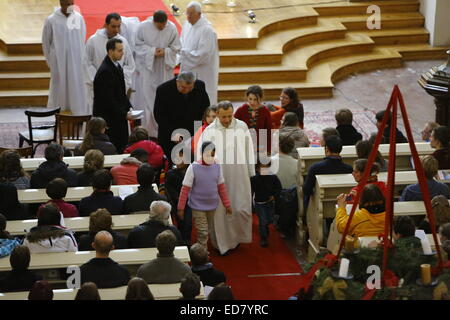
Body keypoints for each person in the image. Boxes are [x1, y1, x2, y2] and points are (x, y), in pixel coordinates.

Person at [199, 101, 255, 255]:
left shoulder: (241, 127)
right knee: (219, 212)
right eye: (223, 117)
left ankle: (236, 239)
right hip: (217, 177)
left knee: (239, 207)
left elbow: (249, 150)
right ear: (217, 115)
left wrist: (251, 173)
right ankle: (220, 243)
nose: (226, 120)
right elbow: (202, 155)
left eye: (229, 116)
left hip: (239, 175)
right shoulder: (209, 131)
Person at [135, 10, 181, 135]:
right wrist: (152, 52)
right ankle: (149, 130)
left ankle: (164, 127)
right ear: (154, 21)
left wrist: (166, 52)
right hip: (149, 68)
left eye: (163, 25)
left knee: (165, 96)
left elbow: (176, 47)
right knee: (148, 96)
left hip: (164, 67)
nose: (161, 28)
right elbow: (137, 45)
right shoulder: (143, 27)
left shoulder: (171, 28)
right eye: (159, 26)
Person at [178, 141, 231, 249]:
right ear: (201, 154)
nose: (210, 158)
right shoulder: (193, 167)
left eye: (212, 155)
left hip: (212, 205)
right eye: (207, 155)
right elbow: (185, 189)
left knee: (209, 229)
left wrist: (227, 204)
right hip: (197, 206)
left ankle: (201, 251)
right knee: (202, 232)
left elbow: (221, 187)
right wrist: (181, 208)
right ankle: (202, 256)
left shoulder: (217, 167)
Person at [42, 0, 87, 115]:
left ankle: (78, 114)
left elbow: (82, 38)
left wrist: (77, 55)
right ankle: (59, 114)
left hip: (76, 61)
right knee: (60, 86)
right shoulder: (51, 20)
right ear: (61, 3)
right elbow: (46, 42)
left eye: (71, 3)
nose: (69, 6)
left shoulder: (78, 18)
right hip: (58, 61)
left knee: (75, 85)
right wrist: (51, 61)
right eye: (66, 4)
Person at [84, 13, 135, 113]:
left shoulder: (123, 41)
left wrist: (121, 80)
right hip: (99, 88)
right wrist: (98, 80)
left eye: (118, 26)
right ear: (106, 25)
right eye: (113, 26)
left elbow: (130, 64)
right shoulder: (93, 40)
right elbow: (86, 63)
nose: (116, 30)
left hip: (118, 89)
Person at [154, 71, 210, 159]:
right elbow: (159, 115)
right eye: (183, 87)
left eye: (190, 88)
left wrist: (198, 131)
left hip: (192, 131)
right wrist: (173, 133)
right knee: (171, 160)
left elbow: (205, 109)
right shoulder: (163, 90)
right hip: (170, 132)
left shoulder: (200, 86)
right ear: (177, 82)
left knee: (192, 160)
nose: (186, 90)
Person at [93, 38, 133, 153]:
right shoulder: (106, 71)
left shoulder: (116, 66)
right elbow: (108, 99)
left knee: (121, 143)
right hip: (110, 118)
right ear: (110, 51)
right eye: (119, 51)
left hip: (117, 115)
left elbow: (121, 91)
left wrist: (129, 107)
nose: (122, 53)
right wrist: (124, 113)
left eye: (122, 50)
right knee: (115, 146)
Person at [179, 1, 219, 104]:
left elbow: (203, 55)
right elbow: (181, 42)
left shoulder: (207, 30)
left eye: (191, 14)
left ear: (199, 14)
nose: (188, 17)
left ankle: (203, 121)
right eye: (187, 14)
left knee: (200, 103)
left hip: (202, 73)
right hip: (188, 72)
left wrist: (183, 53)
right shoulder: (187, 25)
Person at [303, 135, 353, 211]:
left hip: (319, 208)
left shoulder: (315, 168)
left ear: (326, 149)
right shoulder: (349, 169)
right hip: (342, 206)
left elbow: (306, 190)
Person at [251, 161, 282, 247]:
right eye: (262, 168)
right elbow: (250, 191)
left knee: (269, 219)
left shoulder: (273, 177)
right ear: (257, 169)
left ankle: (265, 227)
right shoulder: (254, 179)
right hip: (259, 203)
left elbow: (279, 188)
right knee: (263, 220)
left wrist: (274, 196)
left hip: (269, 202)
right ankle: (263, 238)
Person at [165, 149, 193, 245]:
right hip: (176, 203)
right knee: (181, 224)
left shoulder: (193, 172)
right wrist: (178, 202)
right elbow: (169, 191)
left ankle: (186, 242)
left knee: (187, 224)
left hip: (190, 202)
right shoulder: (171, 173)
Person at [234, 85, 272, 153]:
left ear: (260, 98)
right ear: (247, 98)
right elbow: (233, 126)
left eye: (255, 99)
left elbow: (268, 132)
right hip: (243, 145)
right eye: (250, 99)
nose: (252, 102)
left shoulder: (265, 111)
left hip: (260, 147)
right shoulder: (241, 110)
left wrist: (268, 151)